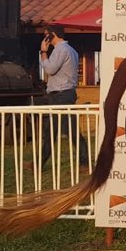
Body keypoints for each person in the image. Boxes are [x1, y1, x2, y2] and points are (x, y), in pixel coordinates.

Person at [36, 25, 89, 168]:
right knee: (53, 130)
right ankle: (39, 163)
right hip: (65, 92)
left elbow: (50, 69)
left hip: (61, 94)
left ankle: (84, 162)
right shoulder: (71, 50)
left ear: (52, 35)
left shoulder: (60, 50)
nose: (44, 38)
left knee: (66, 130)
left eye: (46, 35)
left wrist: (43, 52)